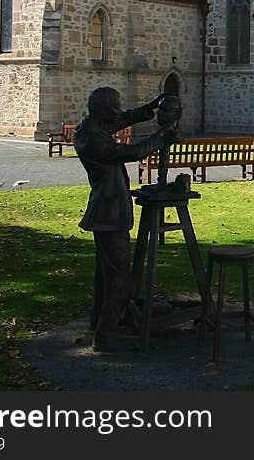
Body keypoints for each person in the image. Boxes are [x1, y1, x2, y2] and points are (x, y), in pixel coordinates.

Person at [73, 87, 177, 353]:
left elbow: (120, 120)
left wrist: (148, 108)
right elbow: (133, 153)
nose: (119, 110)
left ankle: (98, 321)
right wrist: (161, 135)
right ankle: (105, 336)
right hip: (110, 213)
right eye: (115, 106)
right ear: (104, 109)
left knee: (104, 274)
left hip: (104, 210)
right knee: (120, 278)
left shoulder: (89, 128)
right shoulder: (96, 141)